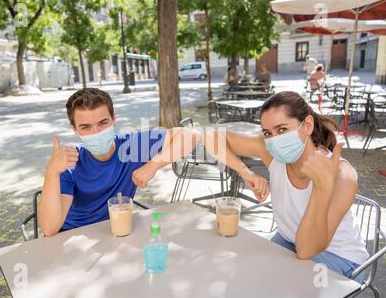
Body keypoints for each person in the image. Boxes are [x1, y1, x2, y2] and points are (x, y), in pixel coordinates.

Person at [203, 91, 368, 282]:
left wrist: (322, 186)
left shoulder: (342, 176)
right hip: (288, 241)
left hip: (339, 257)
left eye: (282, 130)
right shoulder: (272, 152)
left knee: (276, 285)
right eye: (267, 133)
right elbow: (210, 138)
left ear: (307, 125)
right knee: (242, 273)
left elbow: (306, 249)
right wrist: (245, 171)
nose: (274, 140)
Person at [38, 88, 201, 236]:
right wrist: (52, 172)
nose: (96, 132)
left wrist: (153, 165)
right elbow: (49, 229)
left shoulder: (132, 147)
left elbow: (191, 135)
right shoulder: (69, 164)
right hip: (73, 237)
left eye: (103, 123)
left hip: (116, 232)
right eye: (86, 127)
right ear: (74, 129)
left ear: (113, 119)